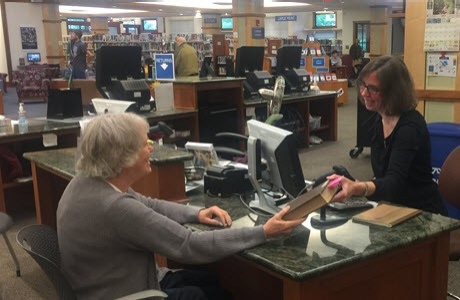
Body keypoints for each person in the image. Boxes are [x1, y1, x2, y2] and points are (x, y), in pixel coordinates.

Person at [57, 112, 305, 300]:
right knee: (205, 293)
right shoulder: (115, 207)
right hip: (126, 295)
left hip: (103, 284)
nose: (151, 148)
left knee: (208, 281)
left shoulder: (89, 180)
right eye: (144, 144)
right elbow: (189, 245)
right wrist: (263, 232)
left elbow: (148, 204)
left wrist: (196, 213)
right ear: (122, 158)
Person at [328, 56, 447, 216]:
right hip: (393, 207)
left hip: (422, 213)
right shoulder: (380, 118)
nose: (364, 92)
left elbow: (394, 183)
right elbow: (382, 176)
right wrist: (355, 183)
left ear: (393, 93)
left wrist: (360, 188)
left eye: (373, 89)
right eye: (363, 85)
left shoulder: (409, 128)